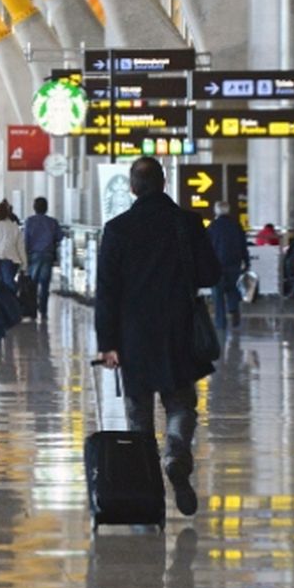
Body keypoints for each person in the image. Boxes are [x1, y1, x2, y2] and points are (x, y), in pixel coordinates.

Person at [95, 157, 219, 517]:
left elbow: (107, 292)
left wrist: (108, 344)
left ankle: (148, 492)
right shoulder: (187, 223)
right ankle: (176, 453)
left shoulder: (117, 229)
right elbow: (210, 273)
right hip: (179, 331)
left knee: (138, 415)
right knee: (181, 403)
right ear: (165, 184)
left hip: (133, 337)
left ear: (132, 188)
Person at [206, 202, 250, 332]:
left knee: (218, 294)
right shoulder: (236, 226)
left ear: (216, 211)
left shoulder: (212, 227)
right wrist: (246, 262)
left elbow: (207, 248)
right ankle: (233, 309)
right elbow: (243, 246)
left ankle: (221, 323)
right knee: (233, 289)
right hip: (234, 264)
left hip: (216, 265)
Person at [23, 197, 64, 319]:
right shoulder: (53, 222)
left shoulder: (29, 221)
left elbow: (26, 240)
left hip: (33, 255)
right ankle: (43, 310)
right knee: (45, 283)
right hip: (47, 255)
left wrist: (24, 257)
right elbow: (60, 237)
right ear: (46, 208)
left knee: (33, 283)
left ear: (34, 208)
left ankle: (33, 309)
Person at [0, 201, 27, 281]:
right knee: (9, 283)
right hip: (12, 261)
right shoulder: (15, 228)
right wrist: (24, 265)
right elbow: (21, 247)